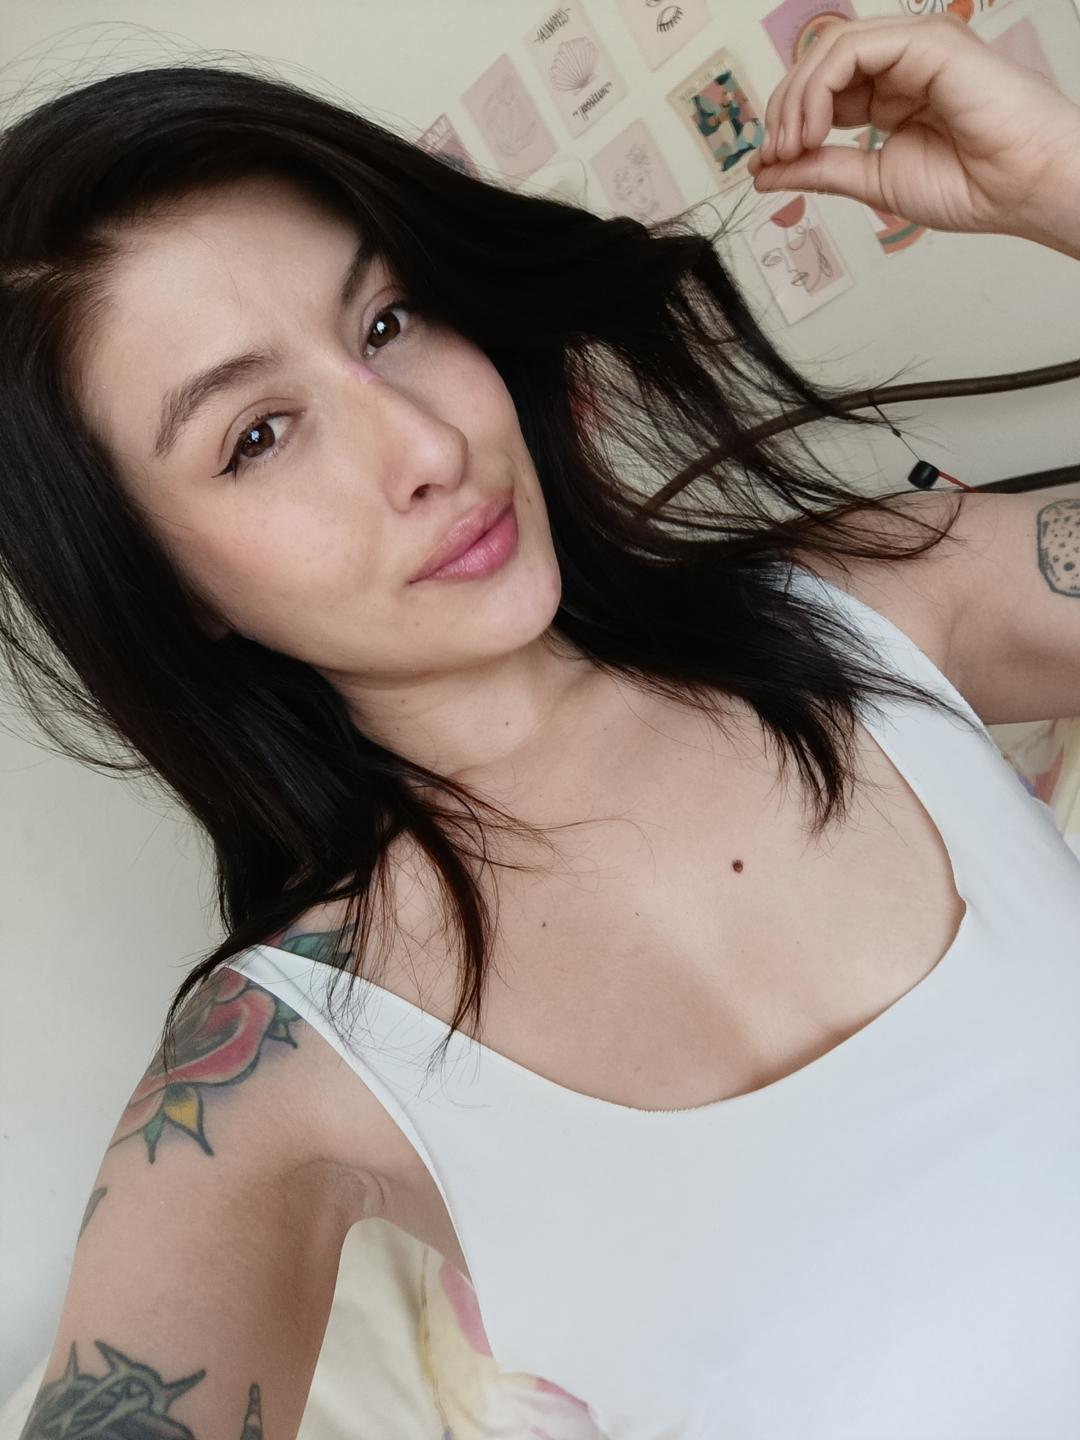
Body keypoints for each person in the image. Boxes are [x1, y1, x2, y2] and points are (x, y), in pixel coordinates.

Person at [7, 14, 1080, 1437]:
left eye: (389, 322)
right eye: (257, 436)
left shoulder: (882, 593)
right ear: (164, 586)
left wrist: (1065, 186)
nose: (427, 446)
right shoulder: (270, 1075)